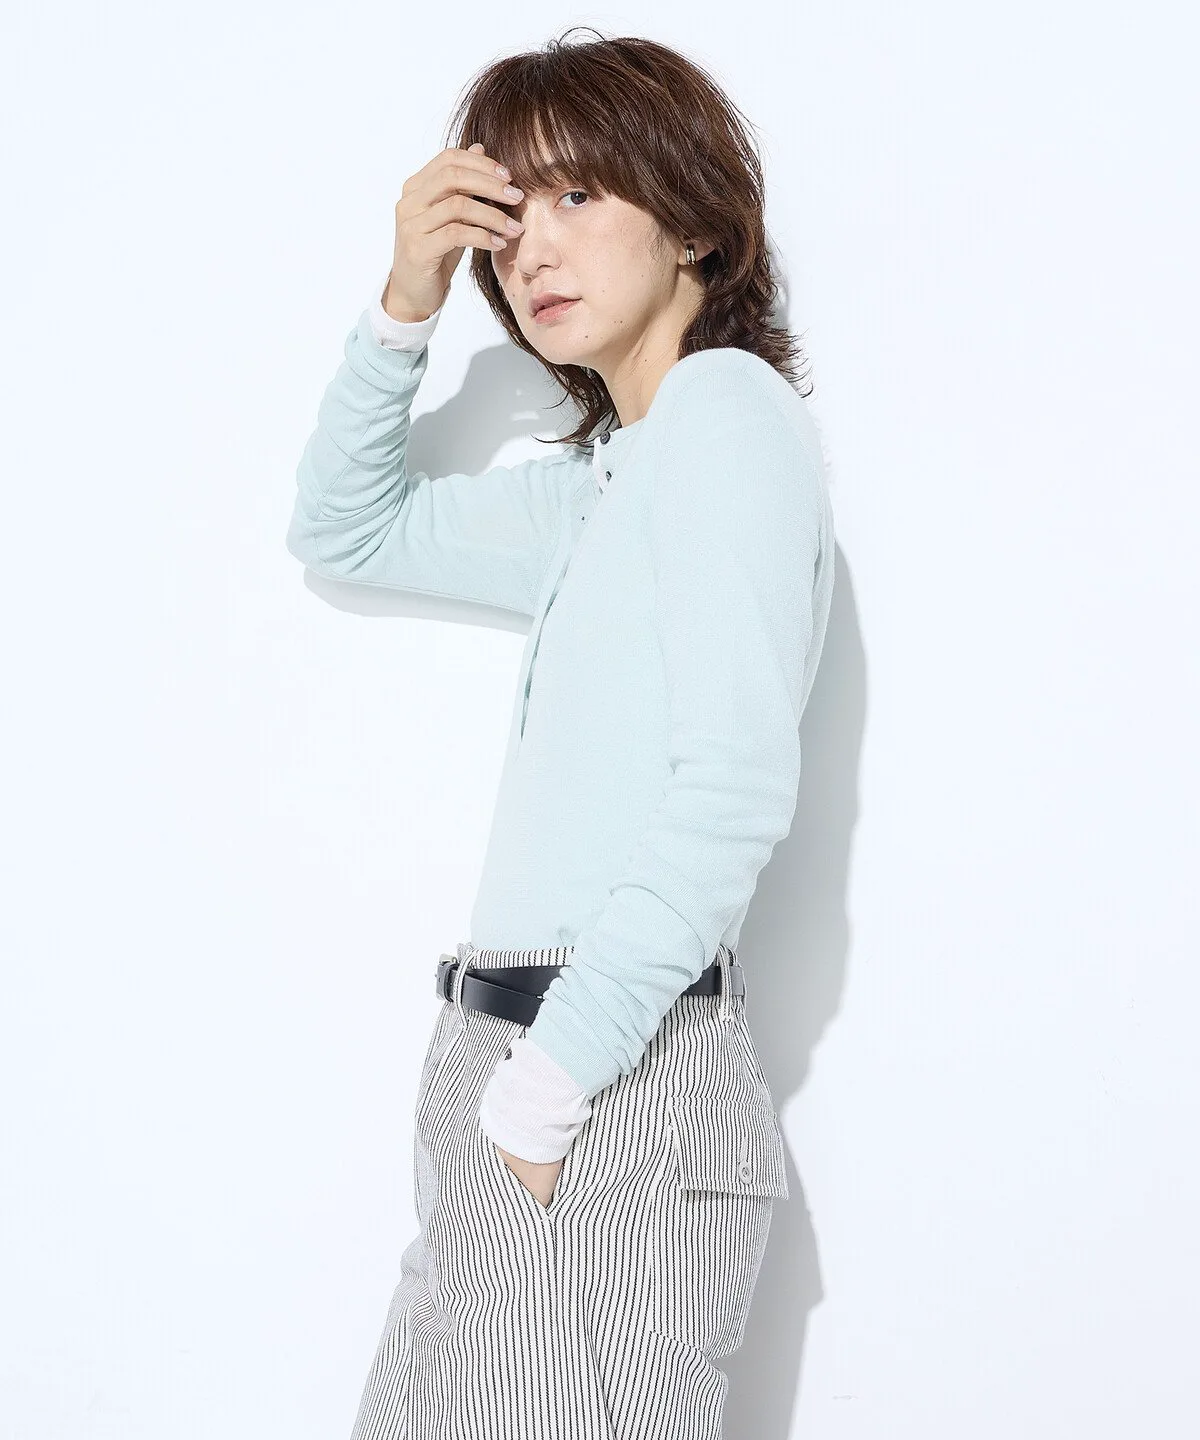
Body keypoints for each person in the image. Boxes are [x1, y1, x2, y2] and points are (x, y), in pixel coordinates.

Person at [286, 27, 835, 1440]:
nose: (534, 247)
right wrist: (406, 303)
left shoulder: (724, 415)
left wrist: (547, 1089)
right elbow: (344, 529)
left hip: (601, 1072)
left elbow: (733, 788)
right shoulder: (599, 488)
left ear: (695, 224)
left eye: (580, 195)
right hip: (513, 1061)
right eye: (510, 216)